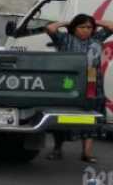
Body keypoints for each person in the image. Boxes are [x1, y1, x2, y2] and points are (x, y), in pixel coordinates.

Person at [45, 13, 112, 162]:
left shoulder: (96, 39)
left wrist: (95, 22)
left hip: (92, 80)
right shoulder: (64, 39)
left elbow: (111, 26)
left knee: (90, 115)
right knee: (63, 114)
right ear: (74, 28)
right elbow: (50, 28)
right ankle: (57, 149)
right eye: (82, 27)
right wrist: (66, 22)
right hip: (69, 80)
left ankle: (87, 153)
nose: (86, 30)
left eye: (89, 27)